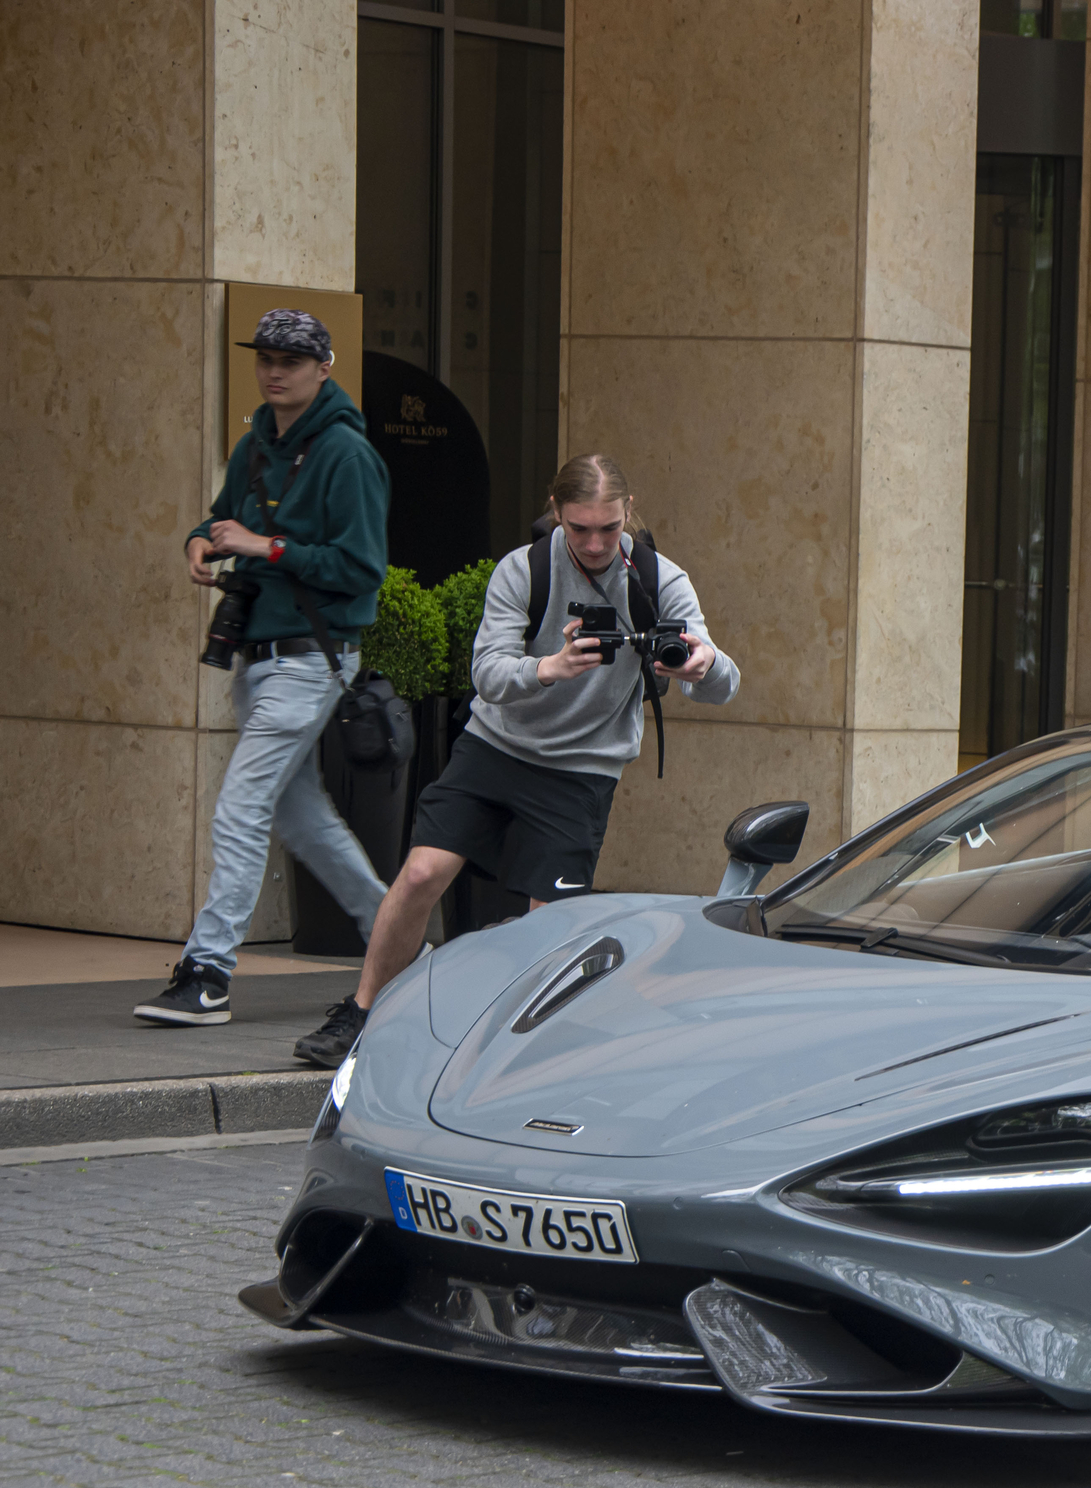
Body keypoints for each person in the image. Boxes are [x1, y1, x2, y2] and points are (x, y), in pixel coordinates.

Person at [293, 455, 741, 1064]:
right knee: (422, 873)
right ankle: (364, 1012)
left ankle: (504, 1048)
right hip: (495, 748)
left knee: (546, 925)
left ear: (627, 515)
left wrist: (703, 664)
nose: (594, 543)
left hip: (582, 769)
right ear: (556, 513)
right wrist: (548, 668)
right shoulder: (523, 569)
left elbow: (721, 681)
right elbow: (486, 672)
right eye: (579, 528)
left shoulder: (660, 579)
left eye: (608, 528)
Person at [136, 310, 391, 1027]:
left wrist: (265, 547)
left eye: (291, 359)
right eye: (265, 358)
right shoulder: (257, 442)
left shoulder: (347, 455)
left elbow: (362, 568)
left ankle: (208, 970)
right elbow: (220, 518)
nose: (275, 370)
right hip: (259, 660)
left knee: (242, 806)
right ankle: (396, 943)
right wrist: (202, 541)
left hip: (314, 659)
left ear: (323, 368)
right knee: (301, 817)